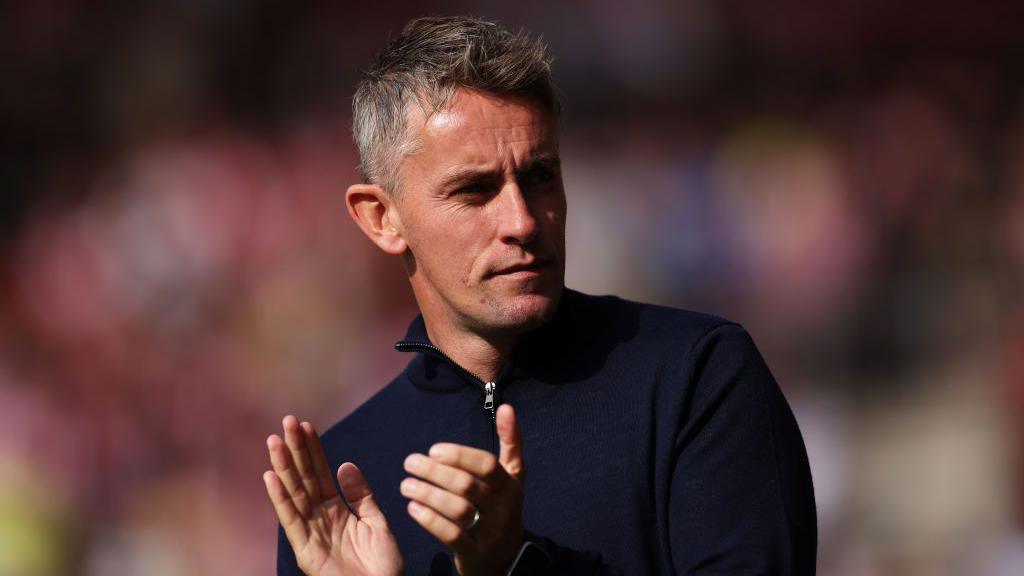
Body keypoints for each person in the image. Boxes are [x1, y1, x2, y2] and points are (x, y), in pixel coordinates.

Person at [263, 15, 816, 576]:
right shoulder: (340, 485)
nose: (523, 221)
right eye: (475, 190)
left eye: (540, 176)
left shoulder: (695, 377)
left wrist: (517, 564)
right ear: (382, 218)